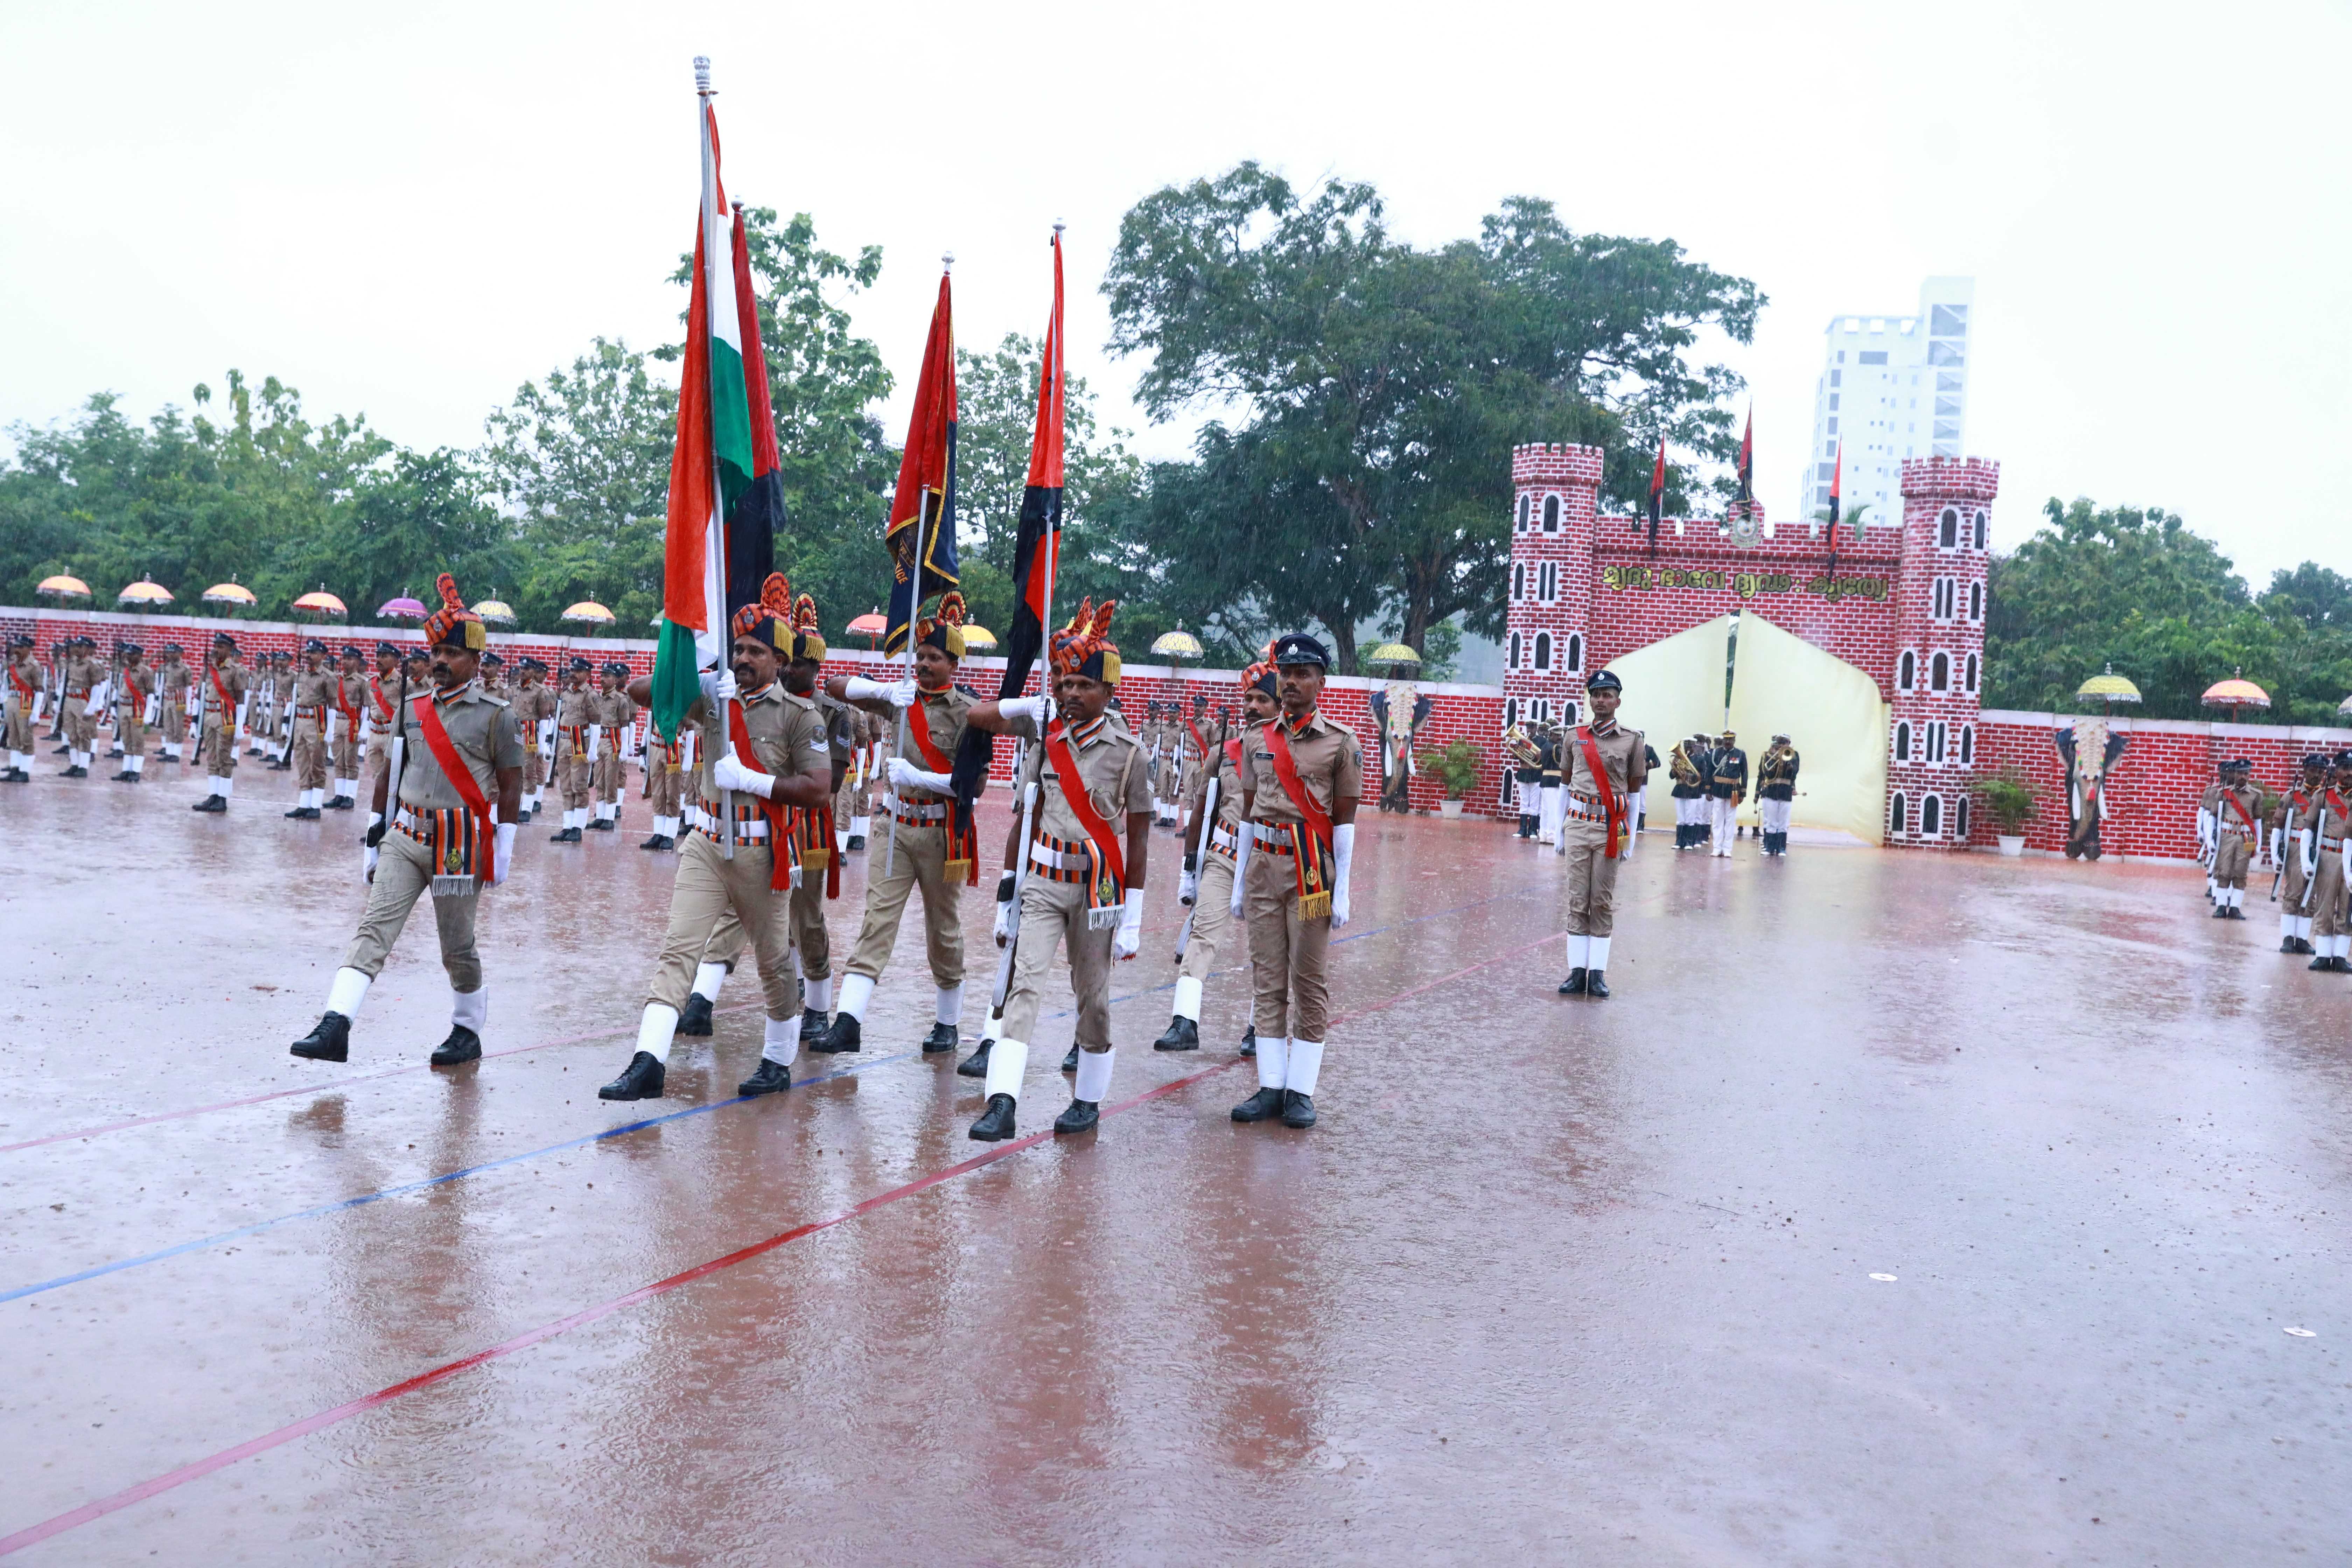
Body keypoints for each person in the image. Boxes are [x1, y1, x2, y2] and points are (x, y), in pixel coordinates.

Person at [597, 574, 834, 1101]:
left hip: (762, 850)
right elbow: (642, 694)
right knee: (678, 949)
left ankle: (777, 1060)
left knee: (774, 962)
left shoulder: (801, 715)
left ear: (779, 659)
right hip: (705, 842)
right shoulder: (714, 697)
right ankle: (648, 1061)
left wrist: (754, 781)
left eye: (755, 651)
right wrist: (695, 678)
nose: (744, 658)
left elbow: (819, 788)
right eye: (739, 649)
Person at [291, 574, 522, 1067]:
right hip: (406, 835)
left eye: (451, 653)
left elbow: (512, 783)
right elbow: (390, 774)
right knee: (373, 929)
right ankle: (336, 1025)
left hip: (460, 842)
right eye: (436, 651)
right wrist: (376, 837)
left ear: (476, 661)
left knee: (457, 945)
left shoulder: (498, 715)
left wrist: (503, 848)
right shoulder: (412, 708)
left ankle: (466, 1032)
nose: (438, 661)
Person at [953, 600, 1150, 1139]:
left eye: (1082, 685)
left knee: (1094, 1001)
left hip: (1098, 892)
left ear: (1108, 692)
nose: (1068, 694)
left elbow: (1138, 840)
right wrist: (1007, 893)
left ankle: (1087, 1100)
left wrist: (1132, 917)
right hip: (1042, 884)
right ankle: (1003, 1103)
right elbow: (1028, 815)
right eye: (1063, 685)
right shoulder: (1045, 740)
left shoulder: (1132, 755)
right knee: (1024, 988)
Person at [814, 594, 983, 1056]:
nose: (924, 664)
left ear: (954, 662)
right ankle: (848, 1023)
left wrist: (926, 777)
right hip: (893, 826)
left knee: (943, 930)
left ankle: (948, 1022)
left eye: (934, 657)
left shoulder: (971, 713)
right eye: (920, 656)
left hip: (943, 833)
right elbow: (833, 685)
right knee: (877, 921)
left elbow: (977, 786)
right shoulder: (902, 699)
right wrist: (886, 692)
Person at [1227, 632, 1362, 1130]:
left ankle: (1301, 1091)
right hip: (1263, 867)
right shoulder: (1258, 739)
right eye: (1286, 673)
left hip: (1311, 873)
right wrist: (1240, 882)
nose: (1291, 683)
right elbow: (1245, 814)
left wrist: (1342, 887)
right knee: (1266, 980)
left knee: (1308, 982)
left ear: (1321, 682)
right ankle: (1270, 1086)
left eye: (1303, 674)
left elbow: (1345, 822)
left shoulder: (1341, 743)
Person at [1155, 665, 1280, 1053]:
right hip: (1223, 855)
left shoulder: (1291, 753)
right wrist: (1189, 868)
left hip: (1268, 860)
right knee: (1202, 935)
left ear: (1280, 706)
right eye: (1249, 699)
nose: (1253, 706)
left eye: (1263, 700)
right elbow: (1200, 813)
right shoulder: (1223, 753)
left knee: (1269, 948)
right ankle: (1184, 1023)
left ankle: (1259, 1029)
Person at [1555, 669, 1647, 999]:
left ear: (1618, 701)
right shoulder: (1573, 736)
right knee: (1577, 900)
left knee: (1602, 902)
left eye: (1608, 695)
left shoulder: (1633, 740)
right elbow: (1564, 786)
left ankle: (1598, 976)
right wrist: (1558, 833)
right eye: (1596, 694)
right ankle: (1577, 972)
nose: (1601, 700)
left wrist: (1631, 838)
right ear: (1590, 699)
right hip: (1578, 824)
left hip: (1613, 827)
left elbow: (1635, 794)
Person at [2299, 754, 2351, 973]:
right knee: (2325, 905)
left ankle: (2340, 957)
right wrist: (2305, 860)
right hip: (2328, 856)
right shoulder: (2323, 796)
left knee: (2348, 908)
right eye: (2345, 768)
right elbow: (2308, 829)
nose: (2349, 773)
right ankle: (2322, 955)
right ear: (2336, 770)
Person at [190, 632, 253, 813]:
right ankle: (213, 796)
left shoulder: (237, 671)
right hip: (209, 716)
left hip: (226, 718)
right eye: (216, 646)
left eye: (222, 647)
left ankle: (222, 799)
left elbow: (241, 698)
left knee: (224, 757)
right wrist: (195, 722)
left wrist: (240, 725)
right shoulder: (209, 669)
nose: (217, 650)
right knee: (211, 757)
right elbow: (199, 694)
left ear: (231, 650)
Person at [2274, 754, 2326, 954]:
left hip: (2317, 848)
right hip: (2295, 847)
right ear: (2305, 770)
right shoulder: (2291, 796)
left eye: (2320, 771)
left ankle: (2302, 939)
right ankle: (2288, 938)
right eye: (2313, 770)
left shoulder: (2324, 797)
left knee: (2310, 895)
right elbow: (2278, 826)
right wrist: (2276, 853)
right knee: (2294, 893)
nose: (2316, 775)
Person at [284, 638, 335, 820]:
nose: (309, 656)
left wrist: (330, 731)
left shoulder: (328, 677)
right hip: (300, 722)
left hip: (317, 724)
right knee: (303, 763)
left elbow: (332, 705)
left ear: (323, 656)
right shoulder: (301, 675)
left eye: (313, 653)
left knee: (317, 765)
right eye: (307, 653)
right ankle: (304, 804)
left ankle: (315, 806)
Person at [549, 657, 598, 842]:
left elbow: (596, 724)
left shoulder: (590, 695)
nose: (573, 674)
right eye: (572, 670)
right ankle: (567, 826)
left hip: (579, 744)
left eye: (578, 671)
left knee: (580, 786)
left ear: (587, 674)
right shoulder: (566, 693)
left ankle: (578, 828)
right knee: (566, 786)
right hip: (563, 743)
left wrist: (592, 750)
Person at [2210, 757, 2263, 920]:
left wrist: (2258, 844)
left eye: (2245, 773)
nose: (2242, 777)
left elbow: (2258, 821)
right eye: (2240, 773)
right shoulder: (2223, 793)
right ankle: (2220, 906)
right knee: (2223, 871)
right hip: (2226, 835)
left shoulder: (2256, 795)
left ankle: (2235, 908)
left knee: (2241, 873)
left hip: (2246, 838)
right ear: (2234, 774)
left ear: (2249, 775)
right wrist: (2212, 840)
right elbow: (2214, 817)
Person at [358, 643, 406, 816]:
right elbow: (368, 708)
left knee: (393, 780)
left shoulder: (403, 682)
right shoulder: (371, 682)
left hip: (391, 735)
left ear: (396, 661)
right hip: (374, 734)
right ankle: (380, 817)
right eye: (378, 655)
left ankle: (392, 817)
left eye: (385, 656)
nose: (379, 659)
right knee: (378, 779)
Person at [591, 660, 638, 831]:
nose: (603, 679)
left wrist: (626, 748)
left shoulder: (621, 699)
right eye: (602, 676)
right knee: (599, 779)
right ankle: (601, 815)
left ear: (615, 679)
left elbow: (626, 724)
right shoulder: (597, 697)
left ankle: (610, 817)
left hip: (613, 742)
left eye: (607, 676)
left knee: (612, 780)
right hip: (600, 742)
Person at [509, 656, 556, 821]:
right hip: (512, 732)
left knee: (529, 771)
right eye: (521, 668)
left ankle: (528, 807)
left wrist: (543, 743)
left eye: (527, 669)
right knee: (512, 770)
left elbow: (545, 718)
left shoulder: (541, 691)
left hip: (529, 734)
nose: (522, 671)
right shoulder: (513, 689)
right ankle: (516, 803)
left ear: (534, 672)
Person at [108, 642, 156, 784]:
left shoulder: (146, 671)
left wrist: (148, 716)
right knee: (127, 740)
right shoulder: (126, 671)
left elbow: (152, 694)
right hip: (124, 707)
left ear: (140, 656)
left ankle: (136, 771)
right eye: (127, 654)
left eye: (132, 654)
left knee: (138, 741)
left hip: (137, 709)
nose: (128, 657)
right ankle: (126, 770)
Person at [327, 645, 367, 810]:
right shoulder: (336, 679)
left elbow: (366, 707)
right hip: (338, 721)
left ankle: (350, 797)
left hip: (353, 724)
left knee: (350, 761)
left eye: (350, 659)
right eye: (344, 658)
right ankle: (339, 795)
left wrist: (364, 729)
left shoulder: (362, 682)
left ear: (358, 662)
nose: (346, 662)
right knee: (338, 760)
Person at [56, 635, 99, 778]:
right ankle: (74, 765)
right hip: (70, 699)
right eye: (75, 646)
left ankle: (83, 767)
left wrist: (92, 707)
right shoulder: (72, 663)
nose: (77, 649)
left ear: (87, 648)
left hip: (83, 700)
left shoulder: (92, 664)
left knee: (84, 735)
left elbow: (97, 687)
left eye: (80, 646)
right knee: (72, 734)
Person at [1755, 734, 1799, 856]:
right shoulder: (1769, 756)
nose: (1782, 745)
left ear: (1789, 743)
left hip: (1785, 792)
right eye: (1780, 742)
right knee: (1771, 822)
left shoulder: (1794, 755)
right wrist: (1775, 758)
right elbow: (1767, 773)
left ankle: (1781, 848)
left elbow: (1794, 774)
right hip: (1771, 792)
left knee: (1783, 823)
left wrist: (1789, 763)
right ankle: (1769, 847)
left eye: (1785, 742)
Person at [5, 633, 40, 782]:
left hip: (26, 700)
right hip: (12, 699)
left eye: (21, 647)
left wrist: (36, 713)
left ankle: (24, 772)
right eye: (16, 647)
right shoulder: (13, 663)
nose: (17, 650)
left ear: (29, 649)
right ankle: (14, 769)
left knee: (25, 737)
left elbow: (40, 690)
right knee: (13, 737)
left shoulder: (34, 666)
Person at [1707, 729, 1747, 858]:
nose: (1728, 742)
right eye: (1726, 739)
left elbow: (1744, 774)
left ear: (1734, 741)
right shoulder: (1715, 753)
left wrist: (1743, 793)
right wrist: (1708, 790)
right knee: (1718, 821)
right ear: (1723, 740)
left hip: (1733, 791)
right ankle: (1717, 848)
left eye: (1730, 740)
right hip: (1718, 790)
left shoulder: (1740, 754)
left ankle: (1728, 849)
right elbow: (1709, 772)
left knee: (1730, 821)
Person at [156, 643, 191, 766]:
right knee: (168, 726)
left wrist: (189, 706)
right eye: (168, 653)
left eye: (172, 653)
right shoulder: (167, 667)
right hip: (168, 699)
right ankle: (169, 752)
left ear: (180, 654)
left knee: (178, 727)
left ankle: (176, 754)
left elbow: (189, 687)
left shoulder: (185, 669)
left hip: (179, 699)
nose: (169, 655)